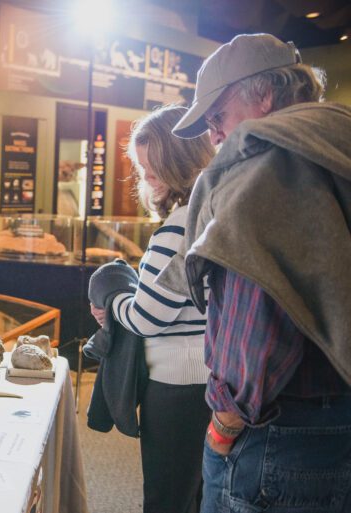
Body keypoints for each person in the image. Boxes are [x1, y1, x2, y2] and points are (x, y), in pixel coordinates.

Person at [162, 33, 351, 512]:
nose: (214, 135)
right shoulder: (335, 145)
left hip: (283, 431)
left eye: (217, 116)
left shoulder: (265, 166)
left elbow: (258, 316)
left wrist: (225, 420)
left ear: (263, 94)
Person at [90, 104, 215, 513]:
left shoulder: (176, 227)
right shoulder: (208, 216)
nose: (147, 178)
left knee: (165, 497)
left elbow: (147, 317)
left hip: (177, 386)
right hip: (207, 381)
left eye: (154, 167)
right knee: (193, 494)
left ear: (180, 163)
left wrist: (113, 303)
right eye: (143, 168)